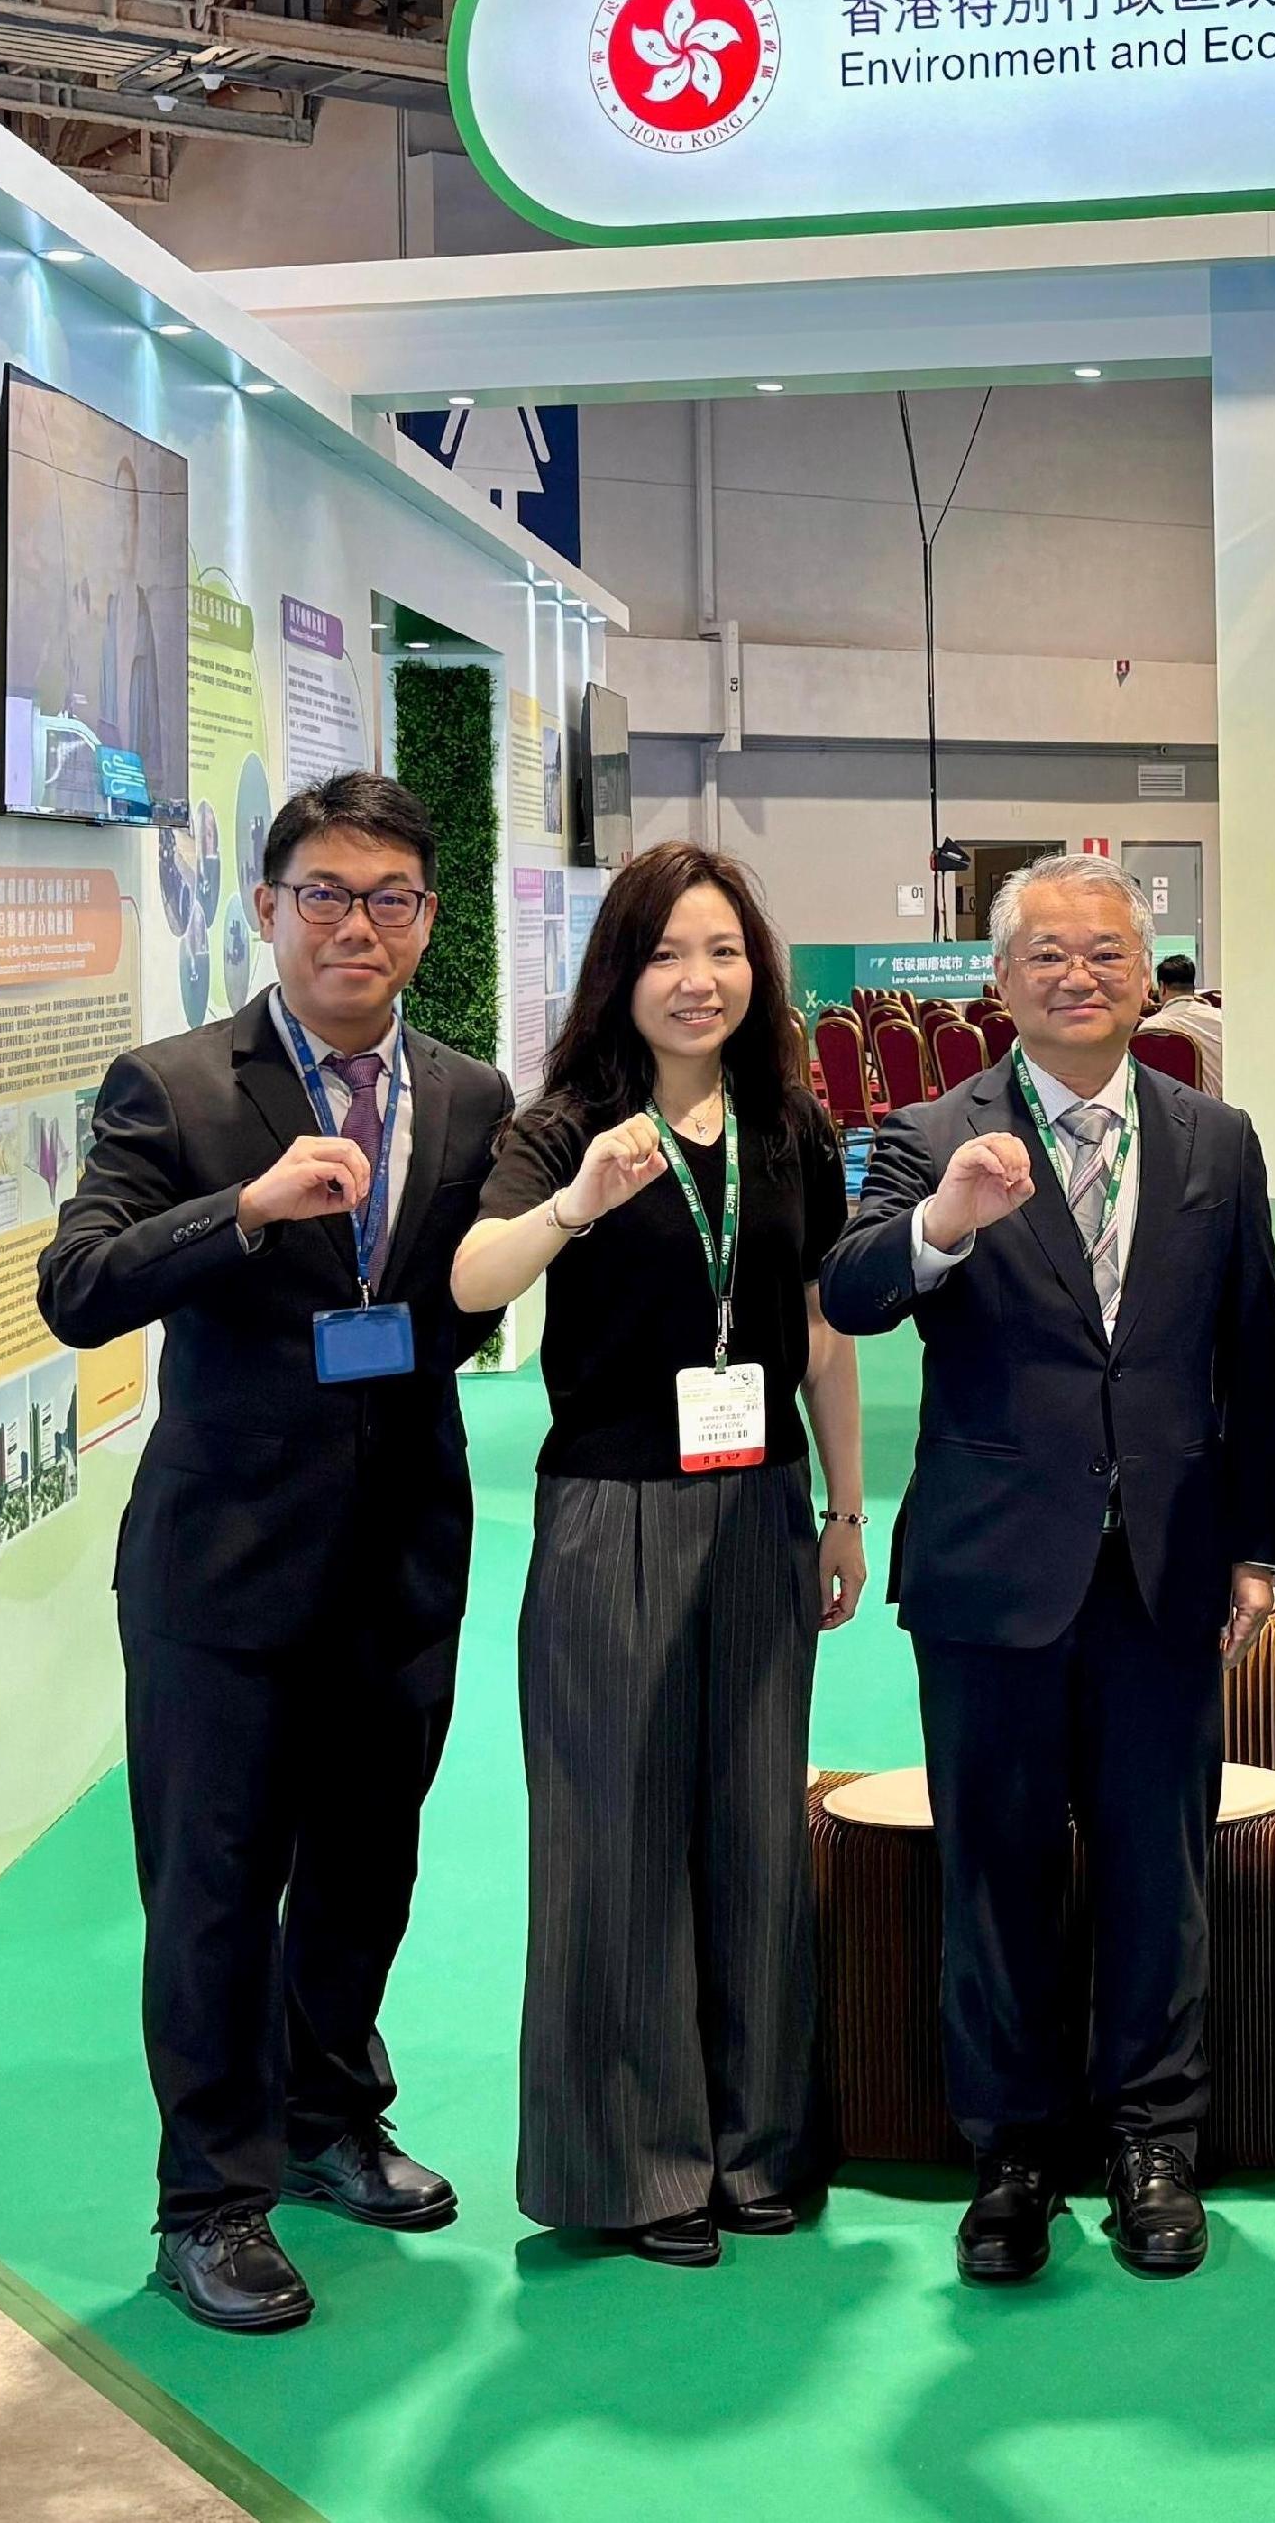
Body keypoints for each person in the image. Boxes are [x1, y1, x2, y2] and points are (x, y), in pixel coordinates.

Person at [38, 772, 514, 2335]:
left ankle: (327, 2123)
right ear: (265, 907)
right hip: (222, 1570)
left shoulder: (467, 1094)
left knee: (369, 1862)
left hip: (401, 1554)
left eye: (388, 897)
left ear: (428, 923)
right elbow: (80, 1286)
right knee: (220, 1885)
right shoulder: (172, 1088)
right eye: (324, 892)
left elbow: (464, 1303)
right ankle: (211, 2200)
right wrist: (240, 1209)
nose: (355, 924)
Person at [820, 852, 1275, 2285]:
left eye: (1106, 953)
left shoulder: (1215, 1137)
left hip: (1163, 1569)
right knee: (997, 1870)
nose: (1078, 976)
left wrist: (1258, 1544)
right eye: (1047, 955)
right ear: (1002, 978)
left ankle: (1156, 2139)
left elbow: (1250, 1360)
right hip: (988, 1571)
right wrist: (944, 1221)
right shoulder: (926, 1130)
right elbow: (850, 1289)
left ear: (1146, 972)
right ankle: (1011, 2152)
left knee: (1161, 1861)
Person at [449, 844, 868, 2267]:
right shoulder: (564, 1122)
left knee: (756, 1831)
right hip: (610, 1514)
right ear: (620, 973)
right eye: (668, 954)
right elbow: (470, 1277)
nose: (699, 981)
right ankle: (637, 2169)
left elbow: (821, 1330)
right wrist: (576, 1204)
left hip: (761, 1511)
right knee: (612, 1842)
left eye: (725, 952)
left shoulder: (787, 1124)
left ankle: (757, 2144)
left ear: (759, 972)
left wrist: (847, 1508)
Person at [1147, 951, 1227, 1087]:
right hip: (1222, 1104)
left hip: (1169, 1106)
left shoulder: (1151, 1029)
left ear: (1162, 987)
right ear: (1193, 986)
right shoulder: (1221, 1020)